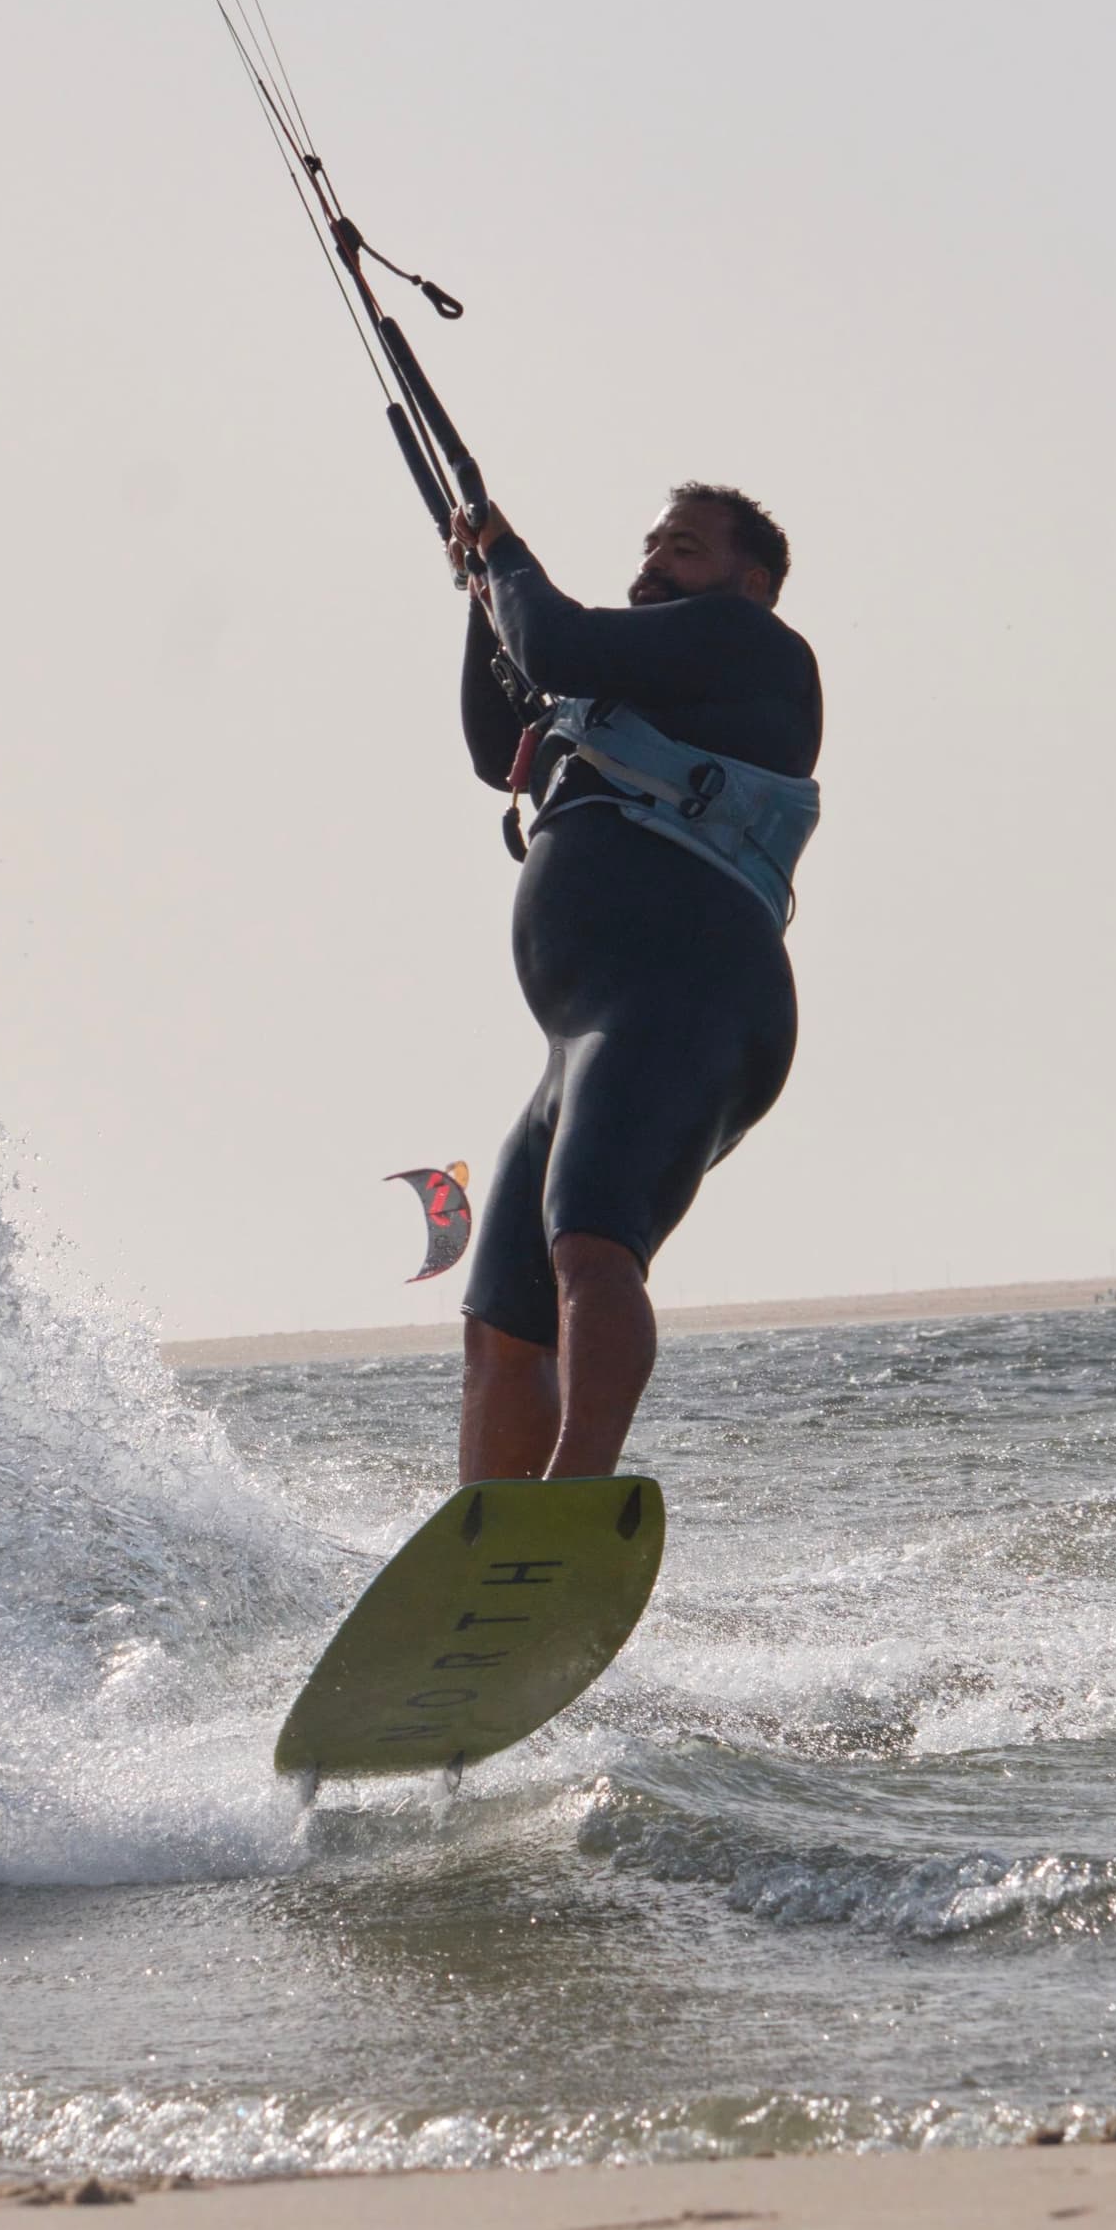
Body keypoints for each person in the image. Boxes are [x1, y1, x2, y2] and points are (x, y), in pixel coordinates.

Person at [449, 482, 823, 1483]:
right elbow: (499, 750)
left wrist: (510, 555)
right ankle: (489, 1542)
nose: (657, 559)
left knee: (589, 1244)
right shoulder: (610, 702)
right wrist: (482, 590)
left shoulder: (751, 649)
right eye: (654, 543)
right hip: (582, 1036)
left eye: (686, 548)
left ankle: (574, 1498)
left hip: (690, 997)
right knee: (499, 1325)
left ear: (748, 584)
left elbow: (557, 645)